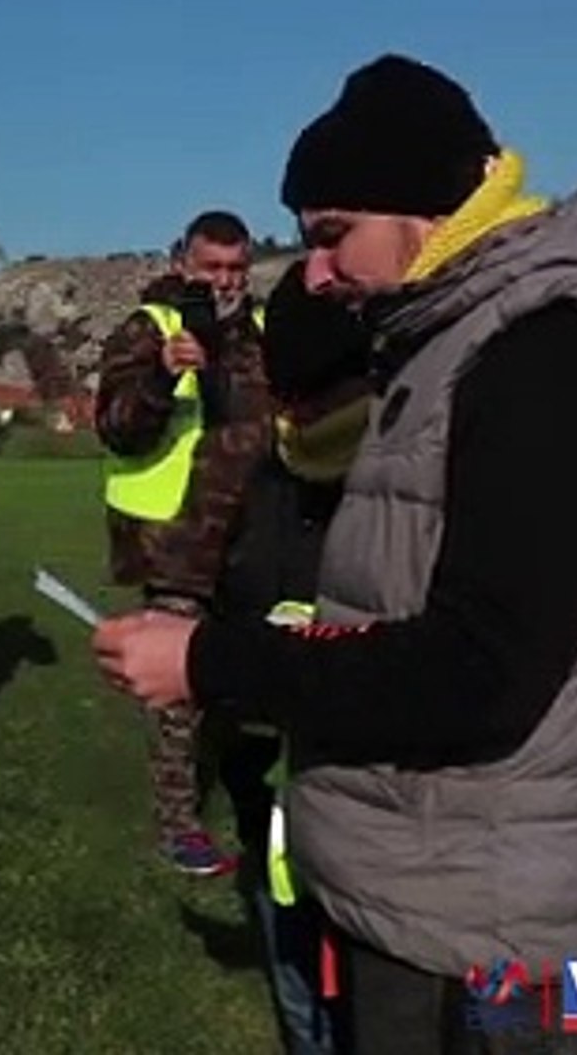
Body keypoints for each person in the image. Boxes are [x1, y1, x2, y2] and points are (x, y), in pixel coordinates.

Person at [94, 54, 577, 1054]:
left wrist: (209, 662)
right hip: (424, 889)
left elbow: (481, 669)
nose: (320, 270)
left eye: (334, 234)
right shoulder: (452, 335)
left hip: (497, 940)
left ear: (427, 207)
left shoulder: (563, 348)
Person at [212, 261, 373, 1055]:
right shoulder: (269, 469)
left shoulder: (405, 474)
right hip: (278, 786)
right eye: (287, 393)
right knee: (298, 967)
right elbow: (239, 579)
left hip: (377, 809)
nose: (294, 412)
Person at [95, 210, 274, 877]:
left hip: (254, 539)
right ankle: (179, 824)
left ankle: (246, 792)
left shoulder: (261, 335)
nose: (225, 281)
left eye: (235, 268)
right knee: (177, 693)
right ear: (183, 263)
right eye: (211, 268)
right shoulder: (151, 329)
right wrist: (164, 378)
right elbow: (115, 427)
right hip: (176, 540)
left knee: (243, 676)